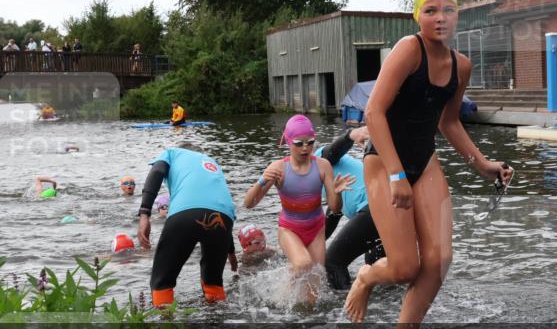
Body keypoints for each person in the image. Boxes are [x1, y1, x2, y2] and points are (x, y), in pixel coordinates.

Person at [343, 0, 513, 329]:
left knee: (439, 260)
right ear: (416, 16)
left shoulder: (461, 66)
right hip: (384, 162)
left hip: (426, 162)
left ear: (458, 16)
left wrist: (483, 165)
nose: (440, 18)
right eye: (430, 10)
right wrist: (396, 175)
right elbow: (374, 112)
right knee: (405, 268)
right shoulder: (408, 50)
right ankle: (368, 276)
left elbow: (449, 123)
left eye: (448, 10)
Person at [242, 115, 348, 300]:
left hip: (316, 229)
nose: (305, 148)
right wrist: (262, 180)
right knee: (302, 264)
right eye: (299, 143)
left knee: (314, 286)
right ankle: (282, 299)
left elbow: (334, 207)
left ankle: (303, 319)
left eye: (310, 142)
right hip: (290, 229)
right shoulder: (278, 168)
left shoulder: (323, 166)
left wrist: (337, 193)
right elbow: (249, 204)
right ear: (289, 142)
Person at [137, 142, 237, 307]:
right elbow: (217, 206)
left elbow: (157, 171)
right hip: (224, 219)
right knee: (213, 282)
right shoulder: (212, 164)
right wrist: (231, 252)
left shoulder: (173, 153)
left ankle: (165, 325)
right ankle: (217, 325)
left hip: (186, 213)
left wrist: (144, 214)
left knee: (162, 281)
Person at [315, 126, 379, 289]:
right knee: (374, 269)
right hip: (387, 210)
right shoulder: (331, 189)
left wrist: (349, 135)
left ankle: (345, 310)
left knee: (332, 262)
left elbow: (332, 151)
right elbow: (330, 220)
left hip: (375, 207)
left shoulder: (318, 161)